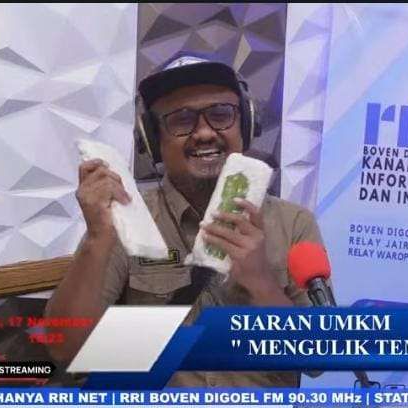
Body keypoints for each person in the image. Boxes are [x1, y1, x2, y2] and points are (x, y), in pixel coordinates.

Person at [44, 54, 326, 387]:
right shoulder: (124, 220)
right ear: (152, 140)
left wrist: (261, 282)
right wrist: (97, 239)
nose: (204, 132)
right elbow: (65, 349)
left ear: (246, 124)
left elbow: (317, 359)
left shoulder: (294, 223)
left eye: (221, 115)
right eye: (181, 120)